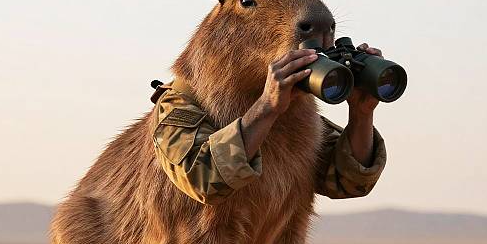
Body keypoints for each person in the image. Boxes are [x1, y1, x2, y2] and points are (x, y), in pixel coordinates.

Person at [152, 44, 386, 205]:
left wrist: (361, 112)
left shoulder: (290, 107)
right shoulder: (181, 102)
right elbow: (205, 179)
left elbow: (348, 181)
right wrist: (266, 107)